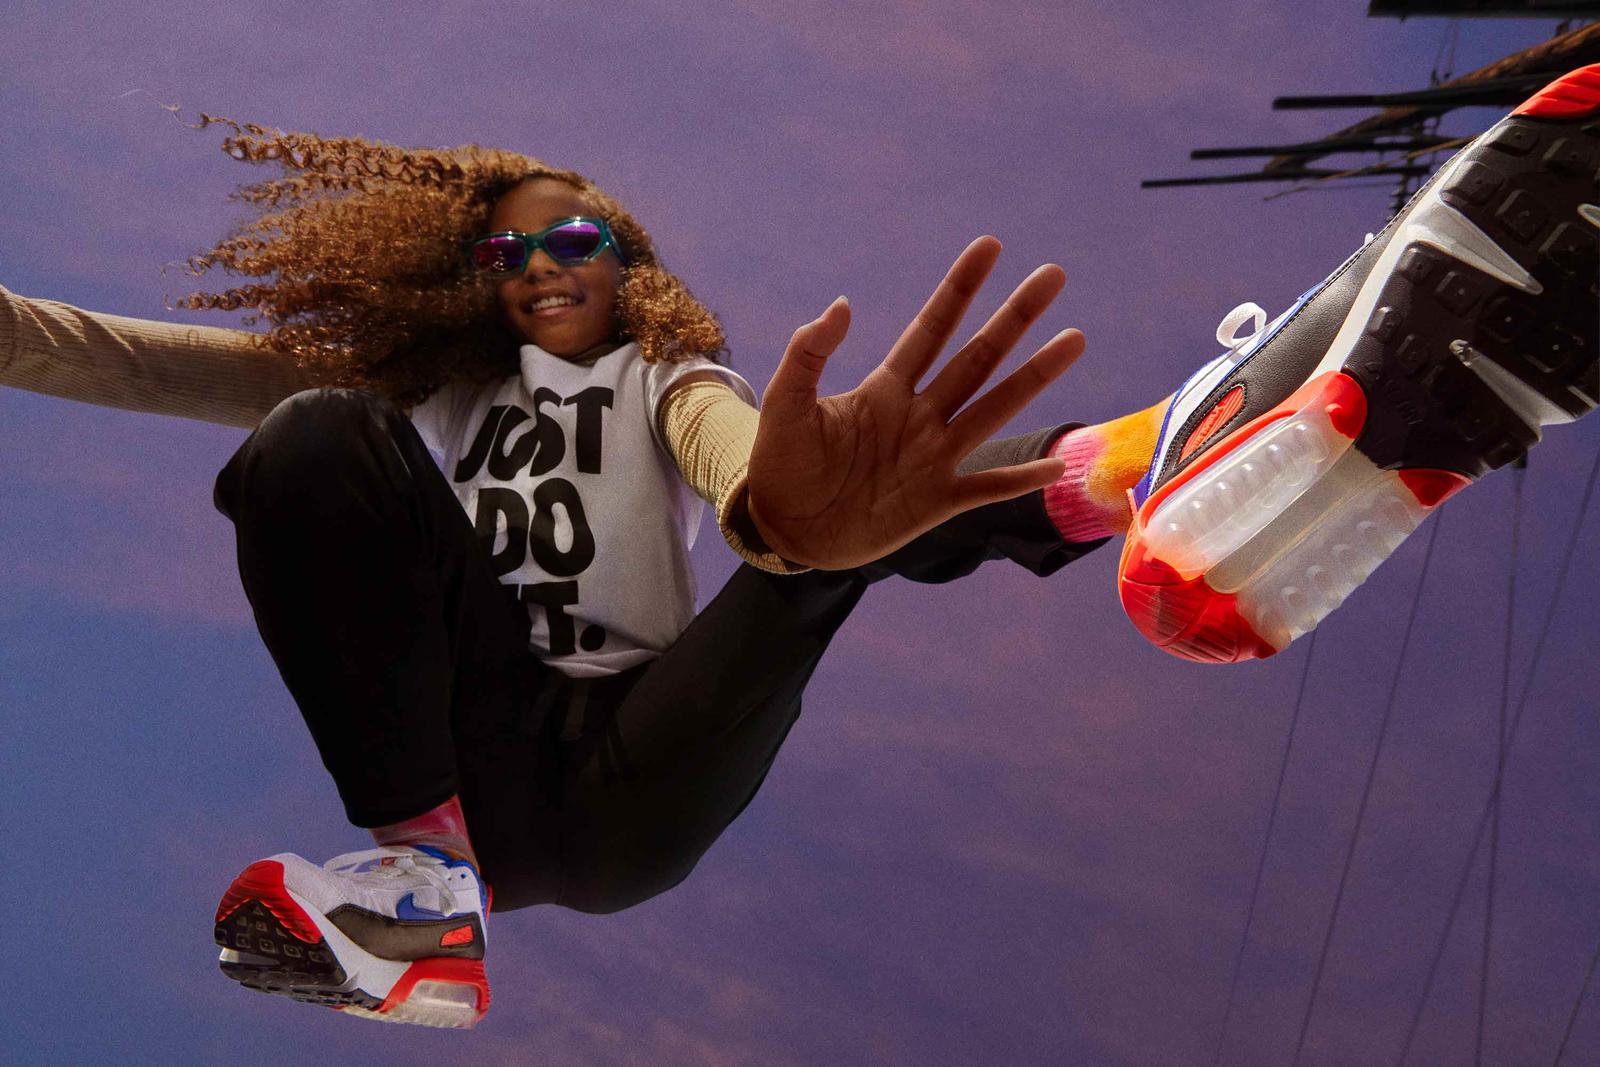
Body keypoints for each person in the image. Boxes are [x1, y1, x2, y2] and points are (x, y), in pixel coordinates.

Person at [0, 117, 1161, 1028]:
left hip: (640, 753)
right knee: (311, 431)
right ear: (472, 281)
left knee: (826, 541)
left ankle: (1136, 460)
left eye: (573, 243)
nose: (543, 268)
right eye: (509, 254)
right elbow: (121, 358)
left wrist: (774, 503)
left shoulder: (671, 378)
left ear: (624, 262)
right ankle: (422, 895)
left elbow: (730, 458)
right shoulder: (425, 393)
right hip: (474, 771)